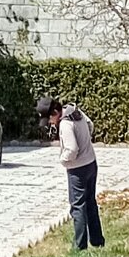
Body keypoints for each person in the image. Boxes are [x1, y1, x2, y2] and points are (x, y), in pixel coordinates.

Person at [37, 94, 103, 248]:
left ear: (55, 113)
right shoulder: (75, 111)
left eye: (50, 119)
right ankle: (97, 240)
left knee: (77, 206)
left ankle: (79, 246)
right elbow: (90, 125)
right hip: (91, 163)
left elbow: (72, 149)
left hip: (77, 169)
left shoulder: (65, 124)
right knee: (90, 203)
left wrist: (63, 159)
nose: (51, 123)